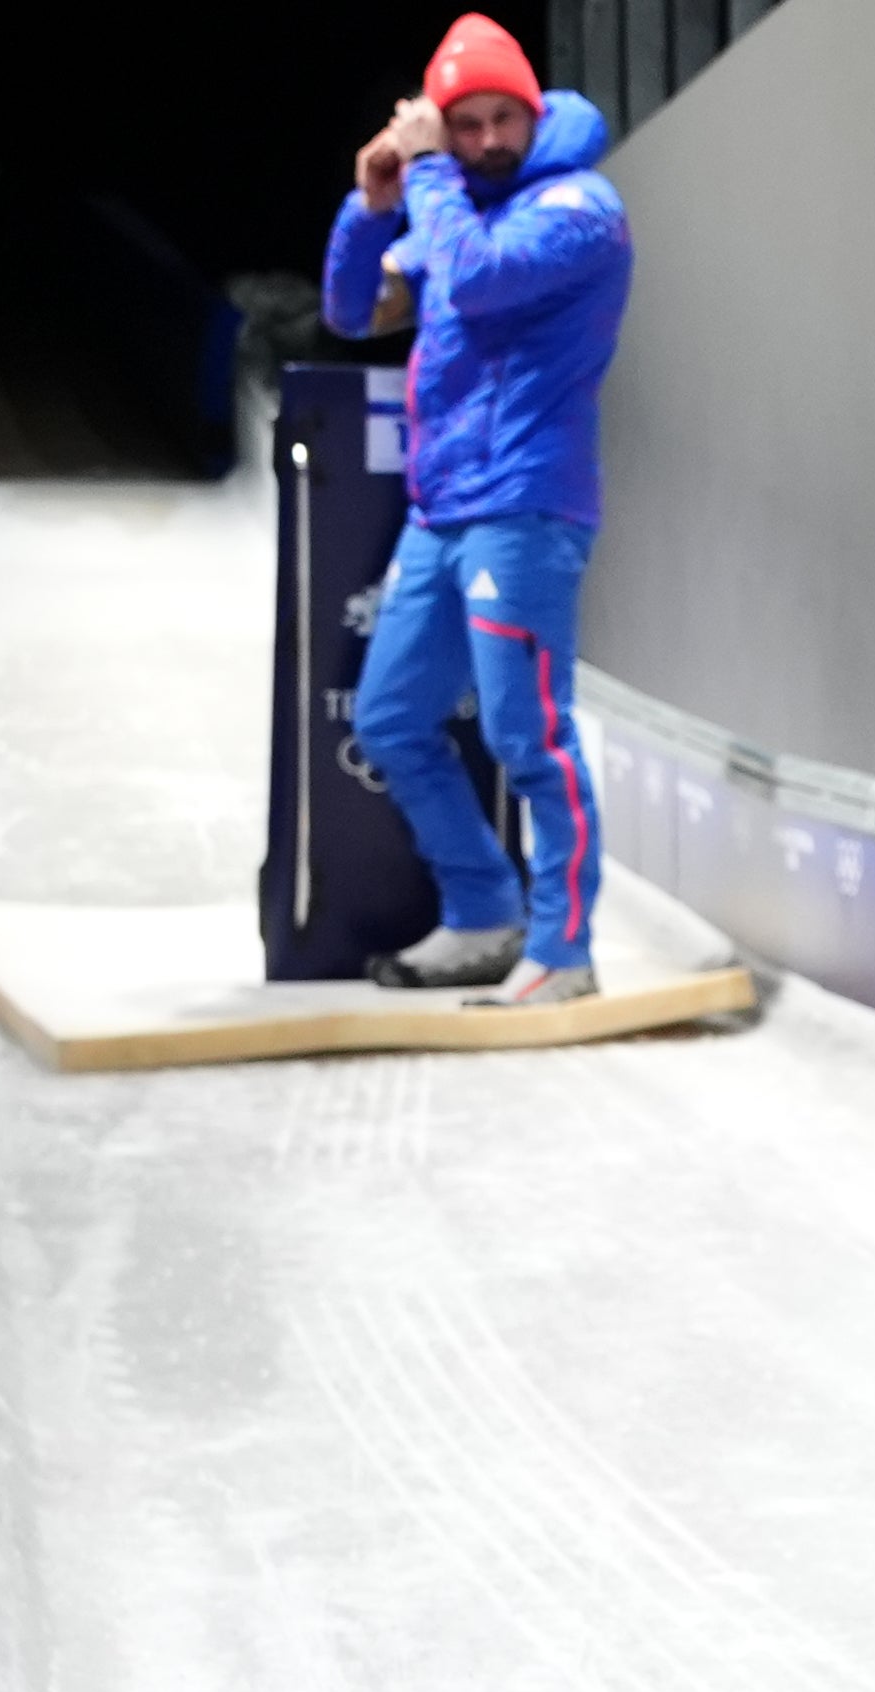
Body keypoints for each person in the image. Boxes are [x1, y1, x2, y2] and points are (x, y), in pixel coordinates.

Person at [318, 15, 633, 1004]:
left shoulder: (578, 204)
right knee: (391, 718)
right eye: (467, 124)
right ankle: (483, 911)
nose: (490, 138)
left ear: (534, 116)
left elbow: (482, 281)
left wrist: (425, 181)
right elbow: (349, 311)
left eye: (507, 119)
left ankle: (563, 950)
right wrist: (371, 204)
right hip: (442, 509)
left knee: (528, 734)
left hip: (528, 507)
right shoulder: (454, 209)